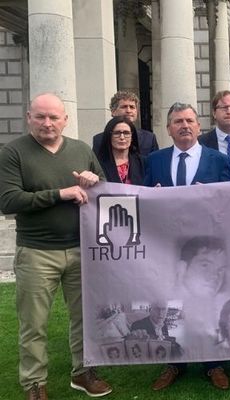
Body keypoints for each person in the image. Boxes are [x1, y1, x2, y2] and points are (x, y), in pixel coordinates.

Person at [0, 92, 112, 399]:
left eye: (53, 117)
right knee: (34, 323)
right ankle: (35, 384)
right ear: (29, 118)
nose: (47, 123)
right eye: (40, 116)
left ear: (65, 119)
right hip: (36, 251)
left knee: (84, 317)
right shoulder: (14, 152)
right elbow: (8, 200)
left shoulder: (81, 149)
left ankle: (82, 372)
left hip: (81, 249)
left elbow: (104, 189)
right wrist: (59, 194)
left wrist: (93, 180)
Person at [151, 236, 229, 391]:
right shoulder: (166, 302)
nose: (214, 276)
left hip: (209, 314)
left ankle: (214, 366)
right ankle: (175, 366)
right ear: (182, 267)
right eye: (205, 265)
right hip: (177, 307)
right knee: (176, 323)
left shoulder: (224, 305)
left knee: (207, 324)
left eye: (220, 270)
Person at [143, 102, 230, 187]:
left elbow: (227, 197)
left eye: (189, 121)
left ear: (198, 127)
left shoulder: (219, 161)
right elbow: (144, 196)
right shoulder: (154, 161)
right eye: (178, 121)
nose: (185, 126)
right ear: (168, 129)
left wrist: (210, 194)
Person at [92, 90, 159, 156]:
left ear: (137, 112)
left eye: (132, 107)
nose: (128, 111)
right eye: (124, 107)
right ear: (113, 111)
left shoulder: (149, 138)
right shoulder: (99, 140)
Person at [94, 116, 145, 185]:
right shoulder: (98, 163)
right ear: (109, 136)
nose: (122, 137)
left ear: (132, 137)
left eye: (126, 133)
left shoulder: (143, 162)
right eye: (117, 133)